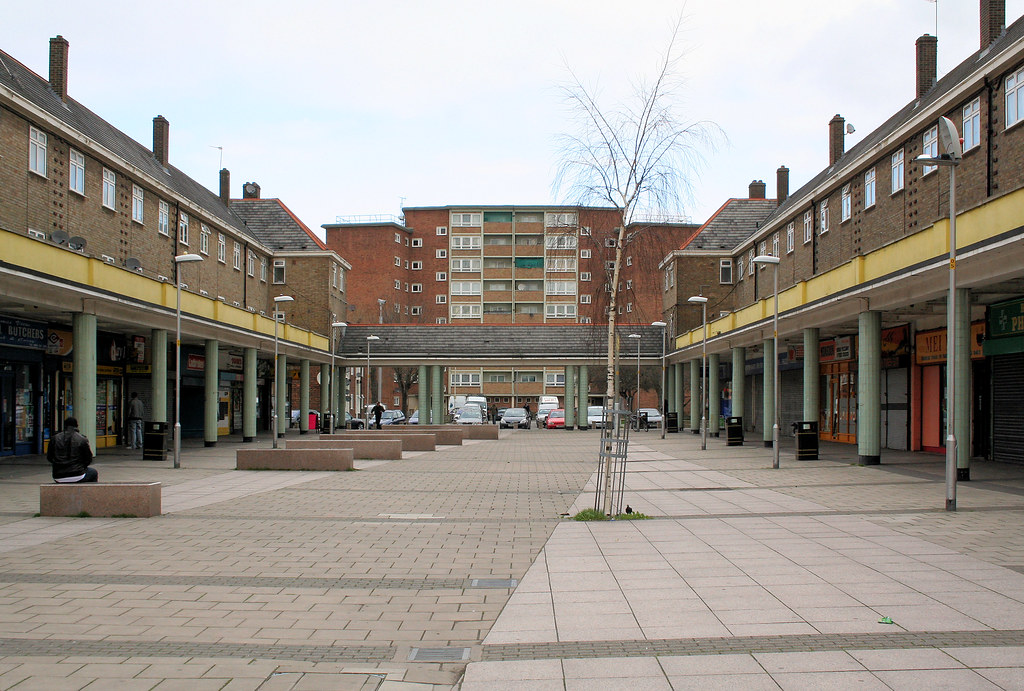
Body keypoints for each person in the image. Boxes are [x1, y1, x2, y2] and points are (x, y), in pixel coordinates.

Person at [47, 417, 97, 483]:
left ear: (65, 426)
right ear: (76, 426)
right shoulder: (82, 439)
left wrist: (58, 465)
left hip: (58, 475)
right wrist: (81, 467)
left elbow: (49, 457)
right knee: (93, 473)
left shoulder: (54, 438)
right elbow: (88, 458)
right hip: (78, 474)